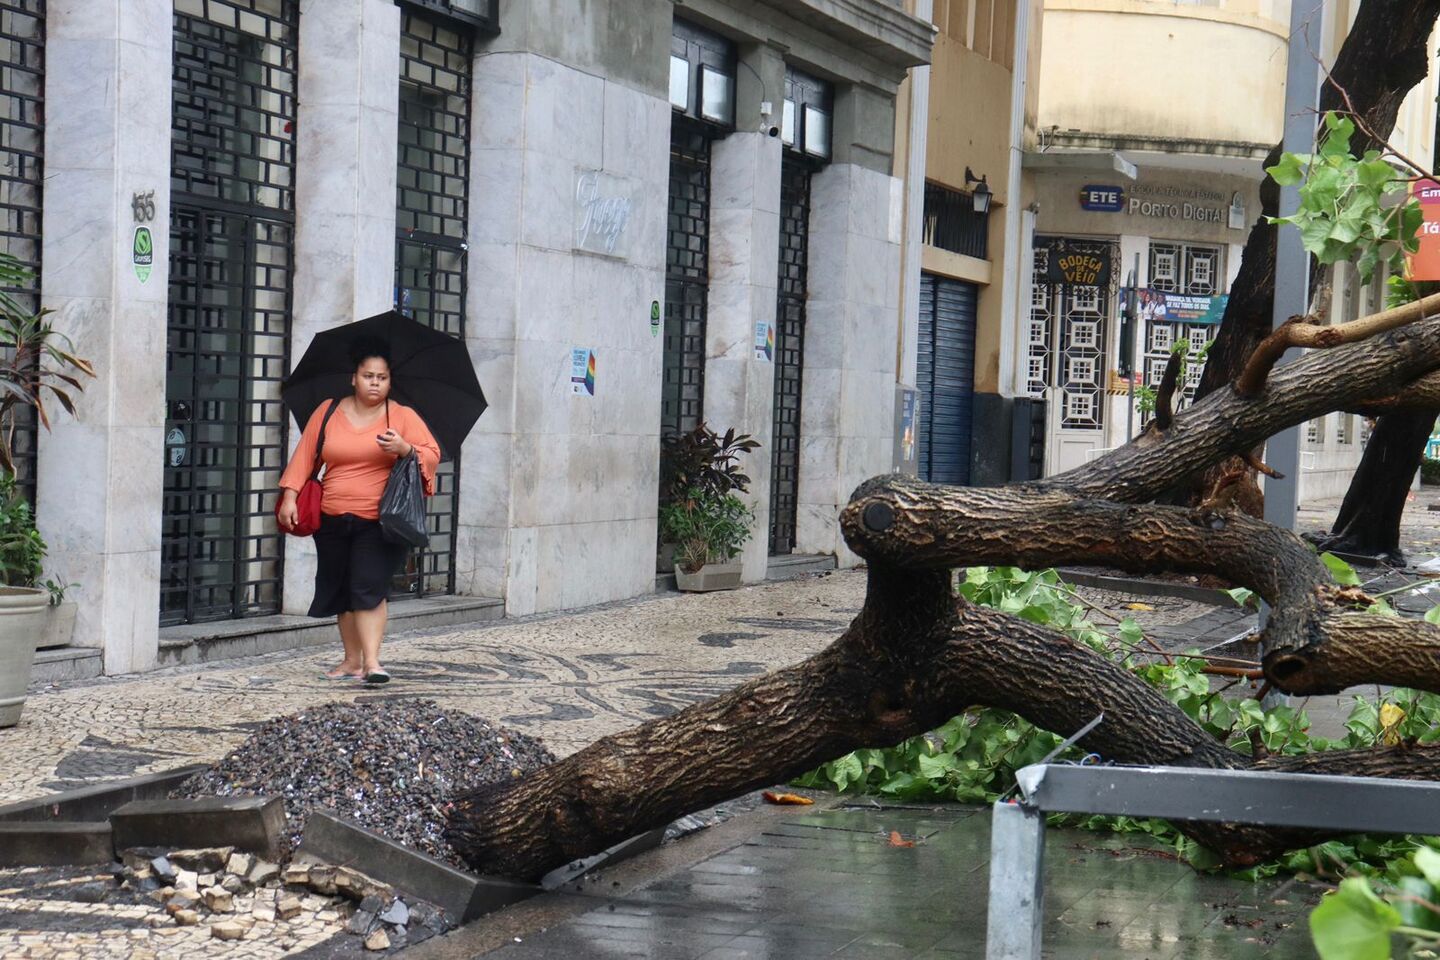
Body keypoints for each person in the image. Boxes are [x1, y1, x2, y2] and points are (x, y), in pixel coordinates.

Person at [277, 336, 441, 683]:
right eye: (368, 376)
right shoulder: (328, 411)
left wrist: (405, 447)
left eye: (382, 377)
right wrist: (290, 496)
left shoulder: (401, 415)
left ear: (389, 380)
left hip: (380, 521)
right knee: (342, 590)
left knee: (368, 587)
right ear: (354, 377)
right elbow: (306, 456)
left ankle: (373, 662)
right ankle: (351, 660)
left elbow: (432, 454)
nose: (375, 383)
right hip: (332, 517)